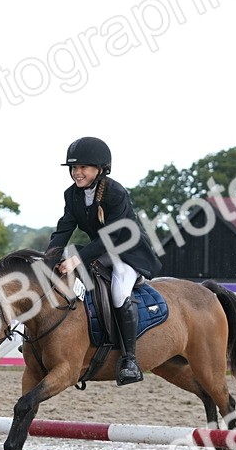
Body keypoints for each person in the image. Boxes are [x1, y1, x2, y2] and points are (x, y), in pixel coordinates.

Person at [49, 136, 161, 385]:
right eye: (73, 168)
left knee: (119, 292)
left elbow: (110, 237)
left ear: (100, 169)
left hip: (128, 253)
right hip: (99, 252)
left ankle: (129, 360)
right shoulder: (72, 194)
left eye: (83, 167)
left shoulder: (115, 192)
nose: (77, 173)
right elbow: (64, 229)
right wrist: (49, 258)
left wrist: (77, 259)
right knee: (63, 277)